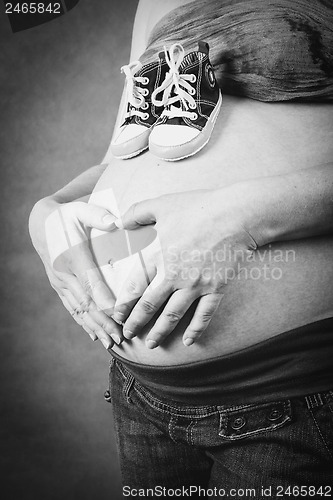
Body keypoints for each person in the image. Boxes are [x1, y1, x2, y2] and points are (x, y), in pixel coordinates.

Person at [29, 0, 333, 495]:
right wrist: (47, 212)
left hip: (290, 392)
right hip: (140, 395)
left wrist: (240, 218)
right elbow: (124, 153)